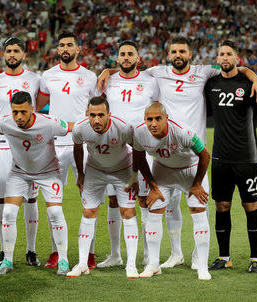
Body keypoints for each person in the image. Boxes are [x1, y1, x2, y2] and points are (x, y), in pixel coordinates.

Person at [98, 36, 257, 270]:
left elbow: (232, 66)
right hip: (165, 154)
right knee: (170, 205)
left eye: (182, 51)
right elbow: (131, 68)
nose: (178, 55)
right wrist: (108, 70)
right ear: (168, 55)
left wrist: (254, 76)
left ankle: (199, 256)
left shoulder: (204, 72)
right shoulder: (158, 72)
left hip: (195, 155)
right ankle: (176, 254)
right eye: (174, 51)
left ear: (190, 54)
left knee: (200, 204)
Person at [0, 91, 73, 276]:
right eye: (15, 112)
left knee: (55, 211)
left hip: (48, 173)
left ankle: (63, 260)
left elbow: (71, 127)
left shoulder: (48, 122)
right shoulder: (5, 121)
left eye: (23, 112)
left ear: (32, 109)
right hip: (19, 173)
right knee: (8, 212)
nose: (18, 117)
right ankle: (7, 260)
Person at [205, 40, 257, 273]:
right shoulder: (210, 84)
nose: (225, 57)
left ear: (237, 58)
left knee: (250, 205)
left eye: (229, 54)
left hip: (246, 159)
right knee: (221, 206)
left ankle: (255, 259)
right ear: (217, 59)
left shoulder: (249, 83)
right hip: (220, 159)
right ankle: (224, 257)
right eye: (221, 53)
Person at [36, 31, 99, 269]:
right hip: (54, 144)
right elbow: (38, 105)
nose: (65, 48)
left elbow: (98, 106)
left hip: (83, 143)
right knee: (53, 201)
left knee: (89, 200)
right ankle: (55, 252)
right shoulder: (48, 76)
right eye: (61, 45)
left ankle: (90, 254)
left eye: (69, 45)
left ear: (78, 49)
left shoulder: (89, 76)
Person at [132, 102, 212, 280]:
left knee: (198, 211)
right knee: (153, 210)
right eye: (149, 119)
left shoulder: (184, 131)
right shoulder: (139, 132)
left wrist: (197, 183)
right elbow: (139, 159)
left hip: (190, 170)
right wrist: (152, 186)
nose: (153, 123)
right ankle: (153, 265)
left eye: (158, 119)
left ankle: (203, 266)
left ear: (166, 118)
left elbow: (205, 155)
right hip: (163, 171)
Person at [98, 40, 159, 269]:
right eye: (122, 54)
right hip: (114, 149)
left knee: (144, 200)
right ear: (117, 59)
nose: (126, 57)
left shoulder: (150, 81)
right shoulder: (107, 81)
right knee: (113, 200)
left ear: (138, 58)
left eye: (130, 54)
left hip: (142, 148)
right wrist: (106, 71)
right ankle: (115, 254)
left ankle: (146, 256)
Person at [0, 36, 42, 267]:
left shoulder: (35, 79)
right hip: (2, 146)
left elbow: (40, 107)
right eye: (8, 51)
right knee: (0, 199)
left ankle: (31, 250)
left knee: (31, 198)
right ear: (3, 54)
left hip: (29, 148)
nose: (12, 54)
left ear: (24, 54)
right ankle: (3, 250)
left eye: (16, 50)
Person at [67, 97, 139, 279]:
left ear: (109, 115)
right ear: (87, 114)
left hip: (123, 170)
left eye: (101, 115)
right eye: (92, 115)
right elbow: (77, 148)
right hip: (95, 169)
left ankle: (131, 265)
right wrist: (81, 174)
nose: (96, 120)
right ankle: (83, 263)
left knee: (128, 213)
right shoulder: (80, 128)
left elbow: (138, 149)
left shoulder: (123, 127)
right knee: (88, 212)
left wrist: (135, 175)